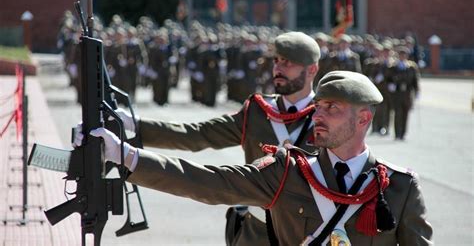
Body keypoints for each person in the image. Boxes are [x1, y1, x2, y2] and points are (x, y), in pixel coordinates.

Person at [87, 70, 433, 245]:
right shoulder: (287, 172)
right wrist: (126, 156)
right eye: (320, 106)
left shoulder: (398, 189)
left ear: (363, 119)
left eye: (333, 108)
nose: (319, 115)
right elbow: (207, 182)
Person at [74, 31, 321, 245]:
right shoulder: (257, 112)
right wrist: (133, 124)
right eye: (276, 61)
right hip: (256, 233)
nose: (277, 68)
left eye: (287, 63)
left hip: (308, 234)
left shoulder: (326, 117)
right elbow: (197, 134)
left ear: (312, 69)